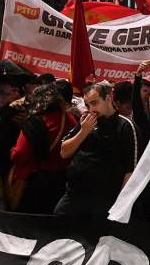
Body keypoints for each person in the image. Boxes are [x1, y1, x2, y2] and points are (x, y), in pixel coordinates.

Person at [55, 81, 140, 217]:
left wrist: (121, 205)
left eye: (95, 103)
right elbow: (64, 152)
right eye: (87, 105)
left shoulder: (125, 126)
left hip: (103, 202)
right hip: (73, 196)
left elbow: (131, 170)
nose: (91, 109)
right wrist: (83, 132)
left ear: (107, 99)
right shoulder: (86, 121)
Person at [9, 83, 78, 213]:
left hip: (38, 182)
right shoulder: (70, 119)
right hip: (64, 181)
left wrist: (12, 152)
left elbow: (20, 154)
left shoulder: (35, 122)